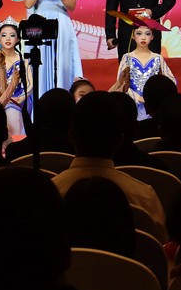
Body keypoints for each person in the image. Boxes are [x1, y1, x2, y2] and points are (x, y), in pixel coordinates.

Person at [51, 92, 166, 240]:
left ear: (71, 136)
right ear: (119, 141)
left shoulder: (50, 196)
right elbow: (160, 247)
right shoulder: (144, 198)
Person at [111, 23, 175, 120]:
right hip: (132, 103)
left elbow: (171, 81)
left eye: (147, 34)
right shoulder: (127, 57)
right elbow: (120, 82)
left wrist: (156, 95)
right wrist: (136, 97)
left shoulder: (158, 58)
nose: (143, 37)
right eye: (139, 33)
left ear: (152, 36)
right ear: (133, 36)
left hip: (152, 105)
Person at [0, 21, 31, 140]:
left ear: (18, 39)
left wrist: (19, 98)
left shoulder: (23, 61)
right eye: (4, 35)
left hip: (18, 100)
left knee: (13, 114)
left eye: (12, 35)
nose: (8, 38)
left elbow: (30, 84)